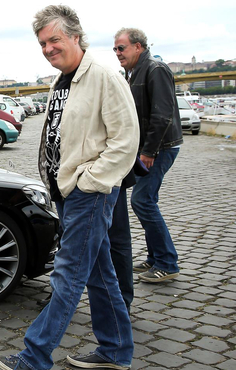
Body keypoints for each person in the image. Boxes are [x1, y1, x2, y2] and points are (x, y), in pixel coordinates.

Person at [0, 5, 139, 370]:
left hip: (88, 192)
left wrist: (91, 181)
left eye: (54, 40)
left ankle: (34, 356)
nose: (48, 48)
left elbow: (126, 139)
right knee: (99, 273)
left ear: (75, 36)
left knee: (69, 272)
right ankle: (116, 349)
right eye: (42, 43)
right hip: (67, 191)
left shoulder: (104, 76)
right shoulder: (63, 80)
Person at [114, 28, 184, 283]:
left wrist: (148, 152)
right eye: (115, 49)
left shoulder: (155, 69)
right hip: (148, 148)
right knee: (145, 200)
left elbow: (162, 114)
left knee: (142, 202)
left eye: (121, 48)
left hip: (160, 147)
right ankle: (156, 258)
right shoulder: (133, 72)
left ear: (138, 46)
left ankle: (167, 261)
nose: (117, 53)